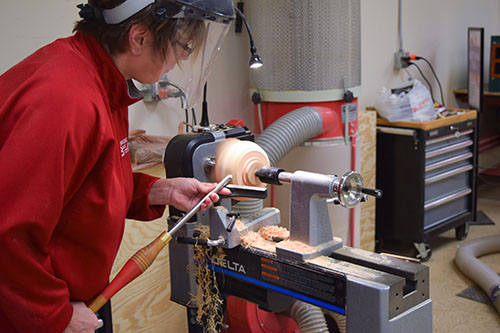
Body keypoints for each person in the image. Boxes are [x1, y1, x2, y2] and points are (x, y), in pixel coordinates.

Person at [0, 0, 235, 331]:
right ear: (139, 38)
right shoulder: (64, 97)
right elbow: (9, 234)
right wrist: (57, 316)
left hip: (69, 301)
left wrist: (159, 190)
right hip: (29, 312)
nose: (183, 58)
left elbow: (83, 187)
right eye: (183, 46)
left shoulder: (100, 79)